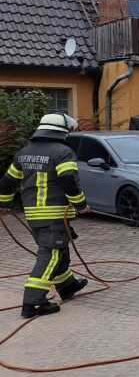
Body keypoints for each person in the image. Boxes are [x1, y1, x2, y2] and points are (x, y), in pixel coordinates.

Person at [0, 113, 90, 318]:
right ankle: (33, 302)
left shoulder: (24, 152)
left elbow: (7, 181)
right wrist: (81, 205)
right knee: (51, 255)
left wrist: (3, 202)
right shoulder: (63, 152)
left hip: (34, 216)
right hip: (53, 214)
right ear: (62, 131)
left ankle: (67, 285)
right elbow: (68, 180)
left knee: (59, 251)